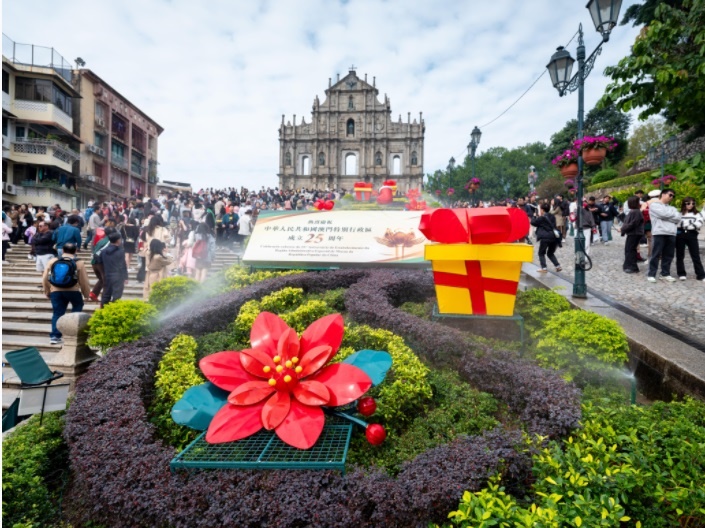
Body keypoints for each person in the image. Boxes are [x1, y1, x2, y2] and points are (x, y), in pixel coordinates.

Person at [42, 243, 91, 345]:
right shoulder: (79, 262)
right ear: (75, 251)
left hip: (56, 291)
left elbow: (45, 278)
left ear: (63, 250)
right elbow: (84, 280)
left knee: (57, 313)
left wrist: (47, 291)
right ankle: (72, 331)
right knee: (77, 306)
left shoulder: (53, 261)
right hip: (73, 290)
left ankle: (55, 336)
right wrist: (86, 294)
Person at [647, 188, 682, 283]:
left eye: (673, 196)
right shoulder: (654, 205)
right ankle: (651, 274)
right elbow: (663, 214)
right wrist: (671, 216)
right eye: (670, 195)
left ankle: (665, 274)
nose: (672, 197)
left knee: (669, 255)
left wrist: (668, 216)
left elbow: (678, 218)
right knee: (656, 254)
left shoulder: (673, 208)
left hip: (671, 233)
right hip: (659, 232)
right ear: (663, 194)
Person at [675, 197, 705, 282]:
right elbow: (676, 224)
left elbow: (699, 224)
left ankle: (701, 275)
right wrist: (689, 224)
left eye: (693, 203)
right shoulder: (679, 214)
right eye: (688, 203)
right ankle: (681, 273)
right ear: (684, 204)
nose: (691, 205)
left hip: (692, 234)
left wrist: (685, 225)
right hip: (680, 234)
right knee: (680, 255)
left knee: (695, 255)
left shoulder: (697, 214)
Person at [531, 203, 562, 273]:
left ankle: (544, 268)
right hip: (553, 237)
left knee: (541, 253)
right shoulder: (552, 216)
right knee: (550, 253)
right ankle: (558, 266)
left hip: (545, 237)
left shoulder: (542, 218)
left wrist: (534, 216)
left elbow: (533, 223)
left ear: (542, 210)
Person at [101, 231, 128, 306]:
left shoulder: (103, 251)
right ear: (118, 240)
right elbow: (122, 265)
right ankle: (114, 309)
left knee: (106, 294)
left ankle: (103, 309)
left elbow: (100, 262)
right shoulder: (120, 251)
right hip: (118, 276)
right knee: (117, 295)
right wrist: (125, 277)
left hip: (107, 275)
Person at [620, 196, 645, 274]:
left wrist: (623, 229)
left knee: (630, 250)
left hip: (635, 233)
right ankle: (631, 266)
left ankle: (631, 267)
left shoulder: (635, 212)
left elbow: (632, 224)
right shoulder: (635, 211)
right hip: (635, 233)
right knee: (631, 249)